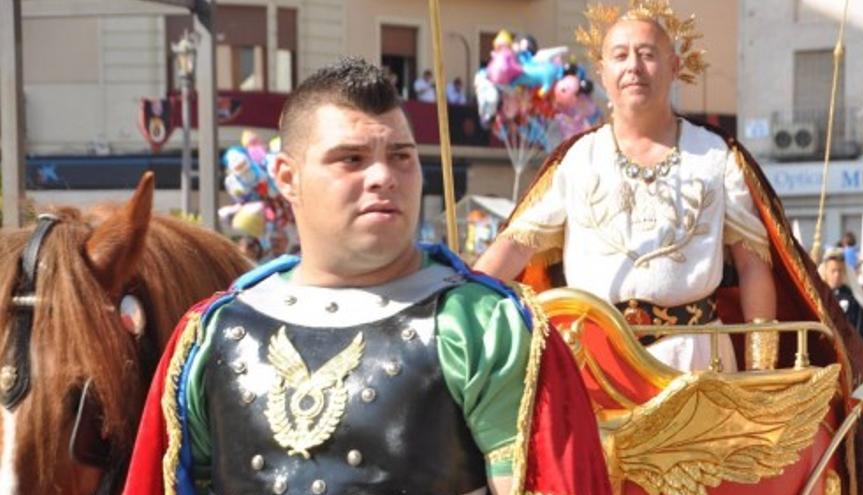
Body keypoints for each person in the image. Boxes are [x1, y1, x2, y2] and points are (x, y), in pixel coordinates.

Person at [123, 57, 610, 495]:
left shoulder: (484, 327)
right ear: (286, 177)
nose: (384, 177)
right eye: (351, 159)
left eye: (401, 155)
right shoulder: (210, 337)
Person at [476, 3, 776, 373]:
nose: (633, 66)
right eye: (620, 55)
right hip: (595, 365)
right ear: (602, 73)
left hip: (696, 364)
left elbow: (752, 265)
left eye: (647, 54)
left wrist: (762, 371)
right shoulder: (577, 159)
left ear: (674, 67)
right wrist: (459, 301)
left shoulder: (716, 155)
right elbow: (517, 243)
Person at [822, 248, 863, 362]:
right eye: (833, 271)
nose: (837, 275)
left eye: (840, 271)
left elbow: (859, 329)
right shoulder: (818, 294)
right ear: (826, 272)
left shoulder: (852, 299)